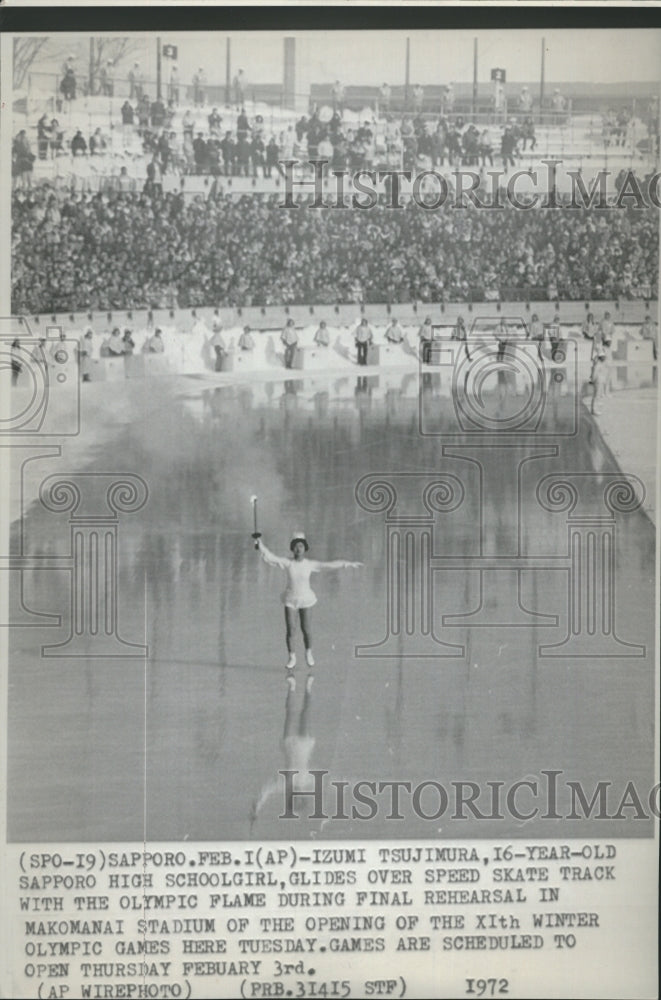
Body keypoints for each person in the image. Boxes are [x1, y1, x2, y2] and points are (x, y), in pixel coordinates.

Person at [255, 532, 362, 670]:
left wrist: (347, 564)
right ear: (292, 548)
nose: (298, 549)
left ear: (305, 548)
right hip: (290, 599)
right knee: (290, 629)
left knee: (306, 629)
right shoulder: (288, 563)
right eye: (295, 546)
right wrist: (260, 544)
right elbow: (271, 557)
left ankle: (308, 652)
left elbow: (329, 565)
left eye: (301, 546)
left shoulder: (310, 564)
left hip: (306, 599)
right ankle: (292, 656)